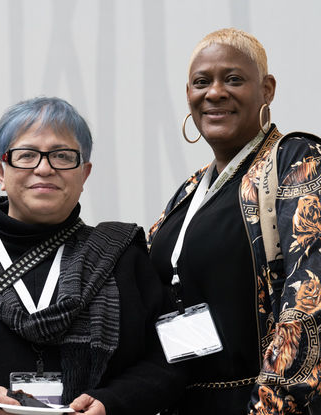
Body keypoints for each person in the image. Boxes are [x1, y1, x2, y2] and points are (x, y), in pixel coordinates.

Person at [0, 96, 183, 415]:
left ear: (85, 173)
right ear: (0, 171)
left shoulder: (123, 259)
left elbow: (171, 359)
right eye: (26, 155)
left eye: (62, 156)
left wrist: (114, 401)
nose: (44, 168)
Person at [148, 28, 321, 414]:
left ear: (267, 90)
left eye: (233, 79)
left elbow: (310, 305)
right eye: (201, 82)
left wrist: (271, 405)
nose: (214, 93)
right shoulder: (189, 191)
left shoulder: (297, 162)